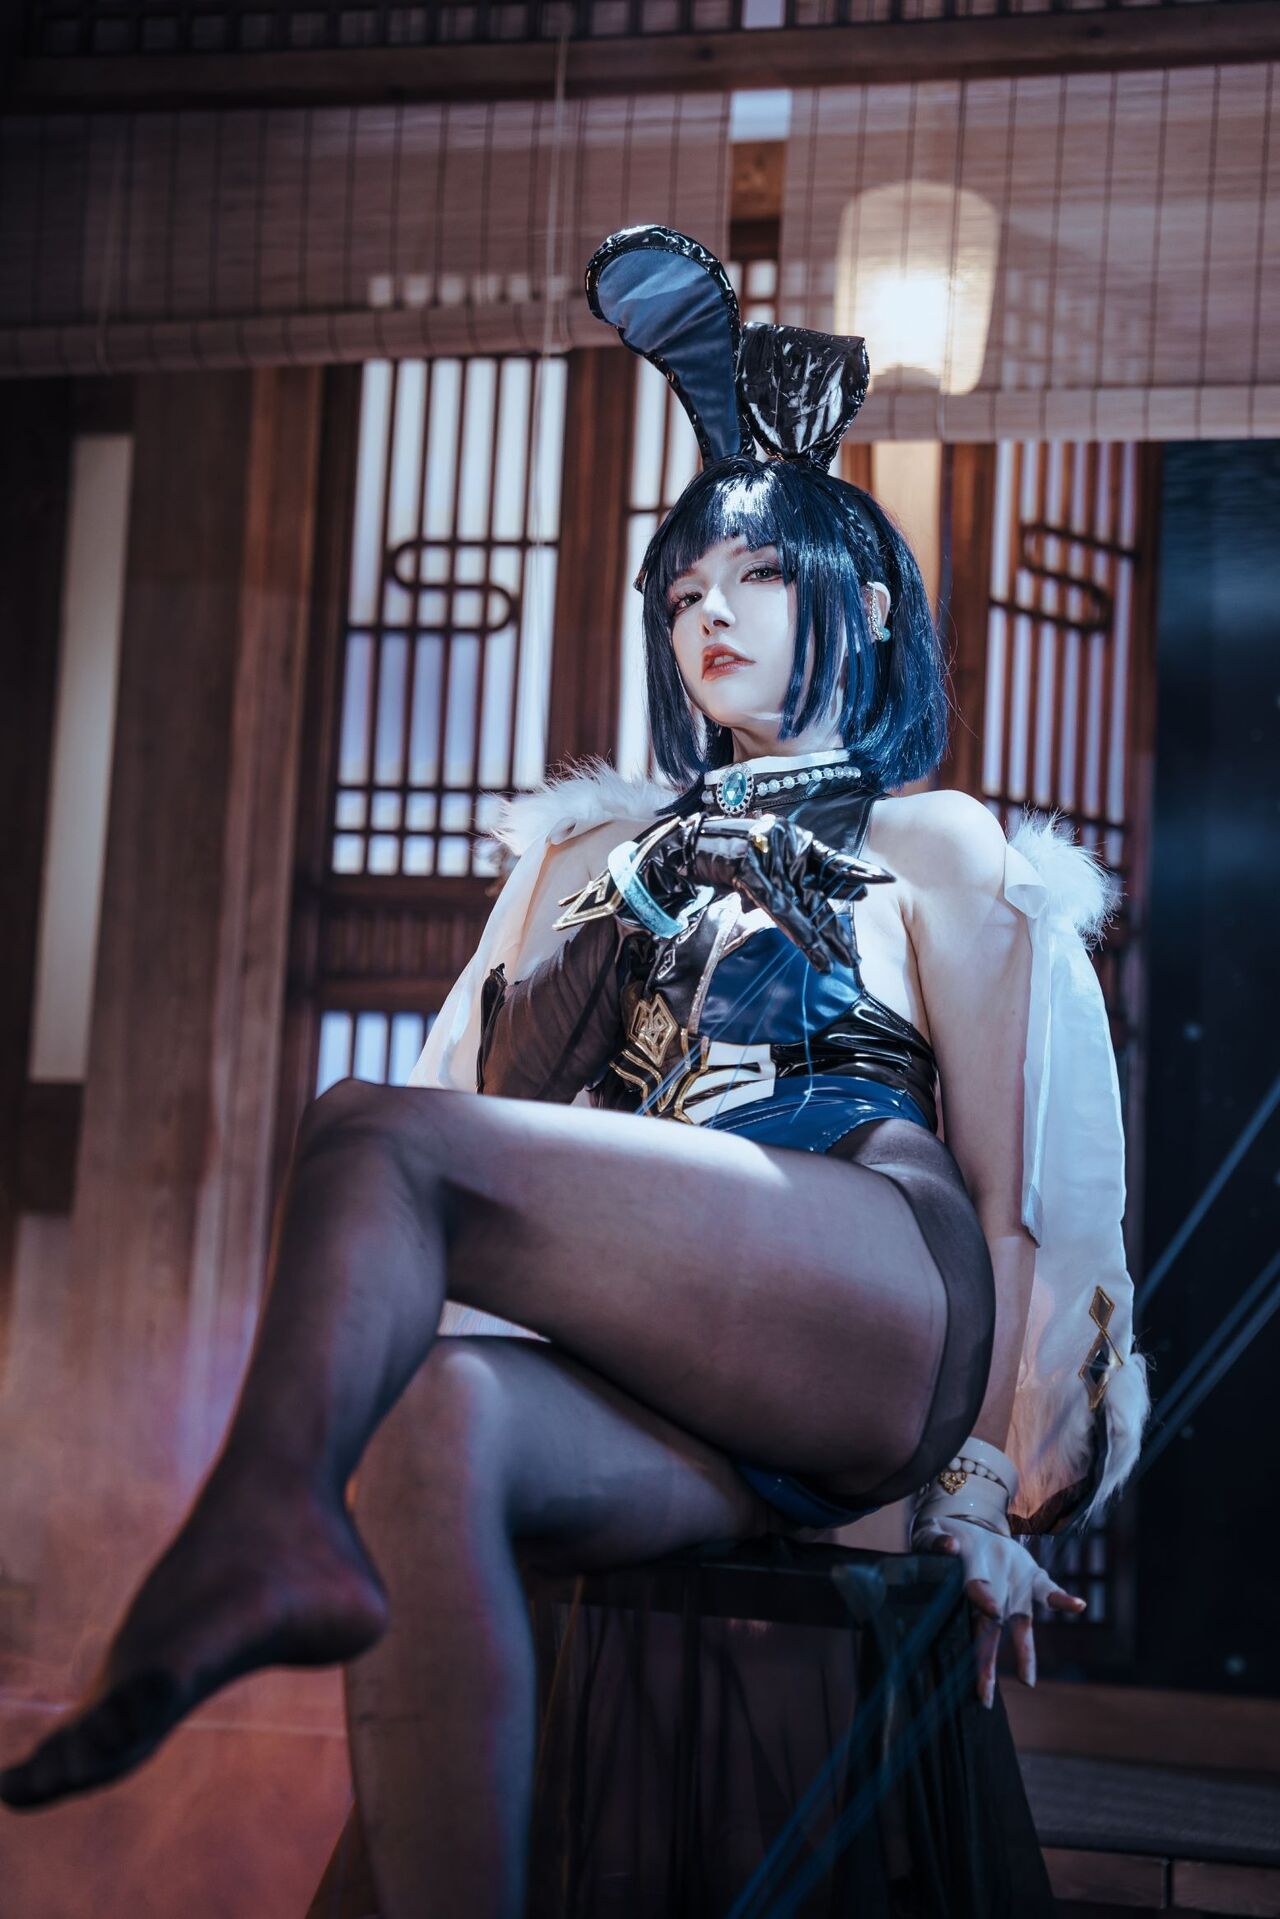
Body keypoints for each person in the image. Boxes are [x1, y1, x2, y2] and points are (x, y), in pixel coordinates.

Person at [1, 230, 1148, 1917]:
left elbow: (1023, 1188)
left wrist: (987, 1487)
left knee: (371, 1133)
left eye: (751, 577)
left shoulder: (934, 842)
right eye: (680, 594)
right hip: (665, 1354)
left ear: (862, 601)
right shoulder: (598, 856)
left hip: (872, 1287)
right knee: (433, 1423)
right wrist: (631, 906)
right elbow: (497, 1109)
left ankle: (261, 1522)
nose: (706, 616)